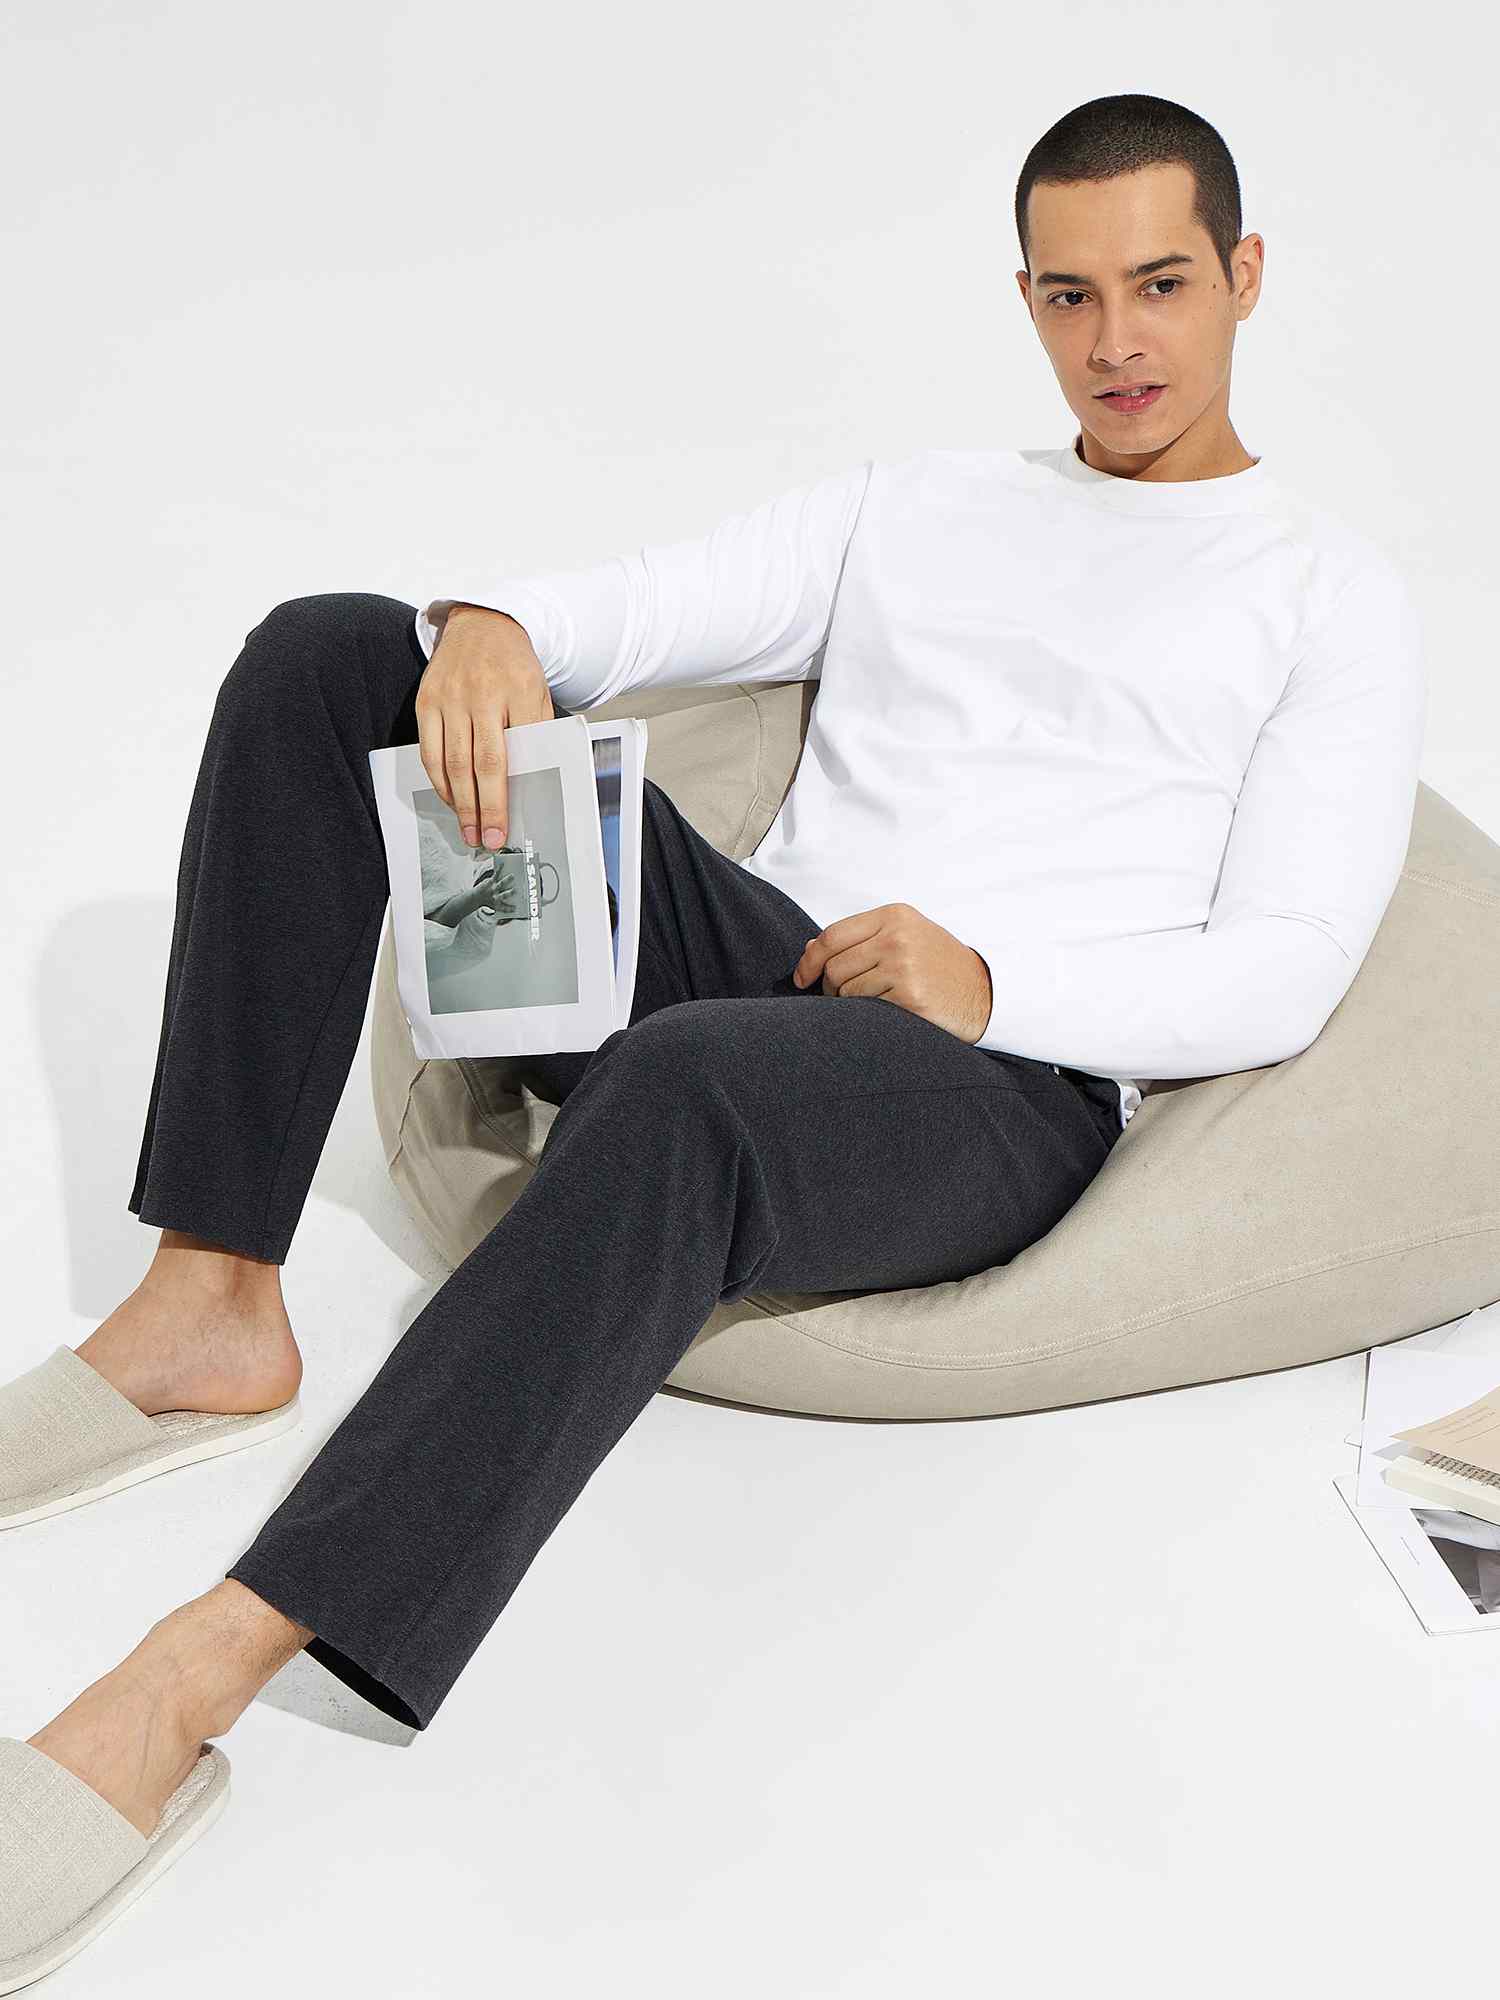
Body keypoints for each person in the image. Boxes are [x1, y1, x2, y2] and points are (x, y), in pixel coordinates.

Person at [0, 90, 1425, 1979]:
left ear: (1244, 275)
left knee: (692, 1086)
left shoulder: (1328, 596)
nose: (1118, 343)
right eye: (1070, 297)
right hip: (774, 963)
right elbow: (647, 608)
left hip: (996, 1083)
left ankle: (190, 1677)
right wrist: (494, 621)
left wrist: (992, 980)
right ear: (1023, 298)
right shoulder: (921, 506)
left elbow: (1289, 965)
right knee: (331, 649)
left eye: (1162, 285)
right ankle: (210, 1303)